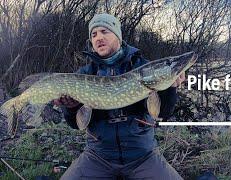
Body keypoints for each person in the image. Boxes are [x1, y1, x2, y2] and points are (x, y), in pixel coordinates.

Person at [53, 13, 185, 179]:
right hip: (98, 156)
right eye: (94, 34)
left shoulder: (142, 67)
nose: (99, 37)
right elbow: (75, 124)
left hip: (142, 156)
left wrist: (170, 88)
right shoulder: (85, 74)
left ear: (118, 36)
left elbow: (163, 112)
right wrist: (71, 108)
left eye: (104, 31)